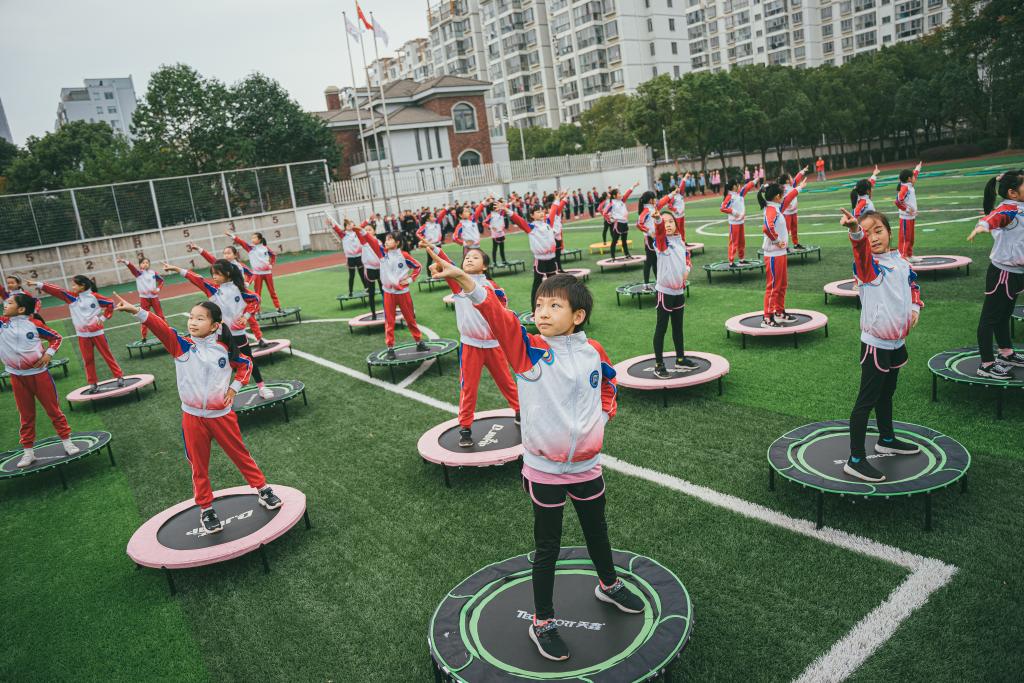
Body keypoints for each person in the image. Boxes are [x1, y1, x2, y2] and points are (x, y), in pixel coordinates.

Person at [425, 263, 644, 662]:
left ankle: (609, 585)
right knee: (548, 548)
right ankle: (542, 622)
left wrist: (602, 417)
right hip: (545, 472)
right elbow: (498, 315)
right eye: (539, 304)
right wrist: (466, 280)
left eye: (554, 306)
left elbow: (609, 382)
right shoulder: (528, 351)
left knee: (598, 532)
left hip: (588, 467)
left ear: (578, 316)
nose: (542, 312)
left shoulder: (593, 351)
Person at [111, 293, 282, 533]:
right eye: (191, 317)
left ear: (214, 326)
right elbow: (160, 327)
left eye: (200, 318)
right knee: (198, 466)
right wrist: (135, 310)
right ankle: (206, 509)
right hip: (192, 418)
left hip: (221, 416)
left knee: (240, 454)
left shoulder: (224, 349)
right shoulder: (181, 346)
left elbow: (246, 364)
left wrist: (234, 388)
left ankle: (263, 489)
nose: (192, 322)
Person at [840, 208, 922, 482]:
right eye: (868, 233)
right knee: (866, 401)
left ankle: (886, 439)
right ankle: (855, 459)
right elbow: (861, 253)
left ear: (889, 232)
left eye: (878, 231)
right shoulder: (868, 267)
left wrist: (915, 308)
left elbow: (913, 284)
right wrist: (856, 232)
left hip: (897, 343)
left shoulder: (901, 262)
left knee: (887, 394)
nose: (874, 238)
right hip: (876, 345)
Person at [421, 243, 520, 446]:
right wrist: (434, 248)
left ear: (485, 266)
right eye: (467, 257)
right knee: (468, 388)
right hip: (470, 346)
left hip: (494, 345)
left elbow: (501, 314)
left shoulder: (494, 287)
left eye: (475, 257)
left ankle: (520, 410)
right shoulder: (457, 283)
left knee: (507, 382)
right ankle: (465, 427)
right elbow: (447, 263)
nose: (469, 259)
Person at [163, 260, 274, 399]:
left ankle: (262, 387)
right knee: (219, 364)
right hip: (219, 335)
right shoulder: (213, 290)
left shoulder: (239, 289)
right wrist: (176, 269)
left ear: (227, 273)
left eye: (217, 273)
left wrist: (245, 317)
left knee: (248, 360)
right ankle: (219, 394)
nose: (214, 276)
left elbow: (256, 299)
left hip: (238, 335)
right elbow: (197, 279)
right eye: (212, 274)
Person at [1, 291, 78, 467]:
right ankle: (28, 453)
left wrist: (49, 354)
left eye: (10, 303)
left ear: (21, 309)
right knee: (26, 415)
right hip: (17, 377)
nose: (5, 305)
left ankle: (67, 442)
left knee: (53, 410)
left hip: (39, 375)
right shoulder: (2, 324)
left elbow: (56, 338)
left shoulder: (34, 324)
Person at [967, 170, 1024, 379]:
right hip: (1003, 273)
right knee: (990, 318)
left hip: (1016, 272)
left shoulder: (1020, 206)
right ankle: (986, 364)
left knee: (1005, 314)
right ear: (1012, 193)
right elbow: (995, 216)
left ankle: (1006, 353)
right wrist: (982, 226)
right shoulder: (1009, 208)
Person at [30, 275, 124, 391]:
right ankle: (93, 383)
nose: (72, 287)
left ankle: (119, 376)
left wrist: (104, 318)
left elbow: (110, 303)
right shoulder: (72, 298)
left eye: (74, 285)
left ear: (82, 286)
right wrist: (40, 285)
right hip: (82, 336)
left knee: (107, 356)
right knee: (88, 360)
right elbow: (58, 291)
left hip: (98, 333)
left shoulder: (94, 296)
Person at [357, 230, 427, 358]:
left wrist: (409, 280)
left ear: (397, 242)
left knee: (410, 319)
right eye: (386, 239)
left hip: (403, 293)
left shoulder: (404, 255)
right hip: (388, 293)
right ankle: (390, 348)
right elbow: (372, 242)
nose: (386, 241)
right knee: (389, 321)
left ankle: (419, 342)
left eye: (389, 239)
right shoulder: (382, 253)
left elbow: (418, 267)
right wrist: (361, 231)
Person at [188, 243, 269, 348]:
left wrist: (247, 283)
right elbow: (210, 258)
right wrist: (199, 249)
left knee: (251, 319)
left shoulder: (240, 266)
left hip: (240, 295)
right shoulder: (222, 266)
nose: (226, 255)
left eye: (229, 253)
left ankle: (259, 338)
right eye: (224, 253)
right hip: (227, 296)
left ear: (235, 255)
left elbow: (252, 274)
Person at [648, 209, 695, 378]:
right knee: (661, 328)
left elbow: (687, 256)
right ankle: (659, 365)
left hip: (679, 292)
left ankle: (680, 359)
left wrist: (687, 270)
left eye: (670, 221)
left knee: (678, 327)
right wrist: (658, 221)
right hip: (665, 292)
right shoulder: (662, 243)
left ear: (676, 224)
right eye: (665, 222)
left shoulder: (680, 241)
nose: (667, 225)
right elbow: (660, 233)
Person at [757, 179, 805, 327]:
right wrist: (777, 241)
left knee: (782, 284)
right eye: (782, 194)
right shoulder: (771, 210)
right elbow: (767, 228)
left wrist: (799, 188)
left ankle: (779, 312)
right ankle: (767, 317)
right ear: (777, 196)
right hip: (773, 255)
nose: (784, 197)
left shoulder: (776, 207)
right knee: (773, 286)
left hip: (780, 254)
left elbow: (789, 198)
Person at [509, 198, 562, 309]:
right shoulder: (531, 227)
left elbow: (553, 210)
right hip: (540, 260)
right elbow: (519, 220)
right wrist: (506, 210)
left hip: (551, 259)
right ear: (532, 215)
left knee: (553, 284)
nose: (541, 213)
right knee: (537, 285)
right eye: (538, 212)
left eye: (542, 211)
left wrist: (557, 199)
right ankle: (535, 309)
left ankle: (555, 306)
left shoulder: (548, 223)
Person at [227, 231, 282, 311]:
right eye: (252, 238)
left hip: (268, 273)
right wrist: (233, 236)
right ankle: (257, 310)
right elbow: (242, 242)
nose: (252, 239)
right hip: (257, 274)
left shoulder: (265, 248)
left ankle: (278, 307)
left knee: (272, 291)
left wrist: (271, 264)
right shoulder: (250, 248)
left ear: (259, 239)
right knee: (257, 293)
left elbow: (273, 255)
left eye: (254, 238)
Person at [116, 256, 165, 341]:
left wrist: (157, 289)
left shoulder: (153, 273)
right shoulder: (138, 273)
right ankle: (144, 337)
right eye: (143, 263)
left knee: (160, 315)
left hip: (154, 298)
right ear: (140, 265)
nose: (145, 264)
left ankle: (166, 330)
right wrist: (124, 261)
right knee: (143, 317)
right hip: (144, 299)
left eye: (147, 263)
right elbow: (131, 267)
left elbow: (161, 281)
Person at [636, 190, 674, 285]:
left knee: (655, 261)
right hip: (650, 240)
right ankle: (646, 284)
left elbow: (662, 202)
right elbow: (638, 224)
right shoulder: (646, 210)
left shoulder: (653, 207)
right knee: (649, 261)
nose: (656, 200)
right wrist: (650, 232)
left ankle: (658, 282)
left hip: (656, 238)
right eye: (654, 198)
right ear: (650, 200)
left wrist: (672, 193)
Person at [720, 177, 759, 266]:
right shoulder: (730, 196)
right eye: (737, 184)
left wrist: (754, 181)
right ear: (734, 186)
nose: (739, 186)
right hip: (734, 223)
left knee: (742, 242)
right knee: (734, 242)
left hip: (741, 222)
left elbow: (747, 187)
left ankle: (741, 259)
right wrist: (734, 212)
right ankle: (731, 262)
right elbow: (722, 208)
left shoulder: (740, 194)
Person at [894, 161, 924, 262]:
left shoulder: (909, 185)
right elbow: (897, 201)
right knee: (905, 238)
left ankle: (909, 255)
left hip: (911, 217)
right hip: (905, 218)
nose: (915, 178)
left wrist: (918, 168)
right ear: (909, 179)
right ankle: (903, 257)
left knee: (911, 238)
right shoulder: (905, 188)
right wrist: (907, 210)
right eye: (913, 177)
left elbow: (914, 174)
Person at [606, 183, 639, 261]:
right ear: (614, 196)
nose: (621, 194)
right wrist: (610, 219)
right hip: (618, 224)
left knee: (624, 241)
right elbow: (605, 212)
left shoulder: (622, 201)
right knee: (614, 241)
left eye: (620, 193)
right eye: (619, 193)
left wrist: (633, 186)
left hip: (624, 223)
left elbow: (628, 193)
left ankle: (627, 255)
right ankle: (613, 257)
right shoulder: (612, 203)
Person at [779, 166, 809, 250]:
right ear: (787, 181)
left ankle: (796, 244)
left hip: (794, 212)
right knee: (786, 230)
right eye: (791, 177)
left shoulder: (792, 185)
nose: (793, 178)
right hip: (786, 213)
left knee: (794, 229)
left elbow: (797, 178)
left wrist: (802, 171)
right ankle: (785, 245)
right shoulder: (782, 188)